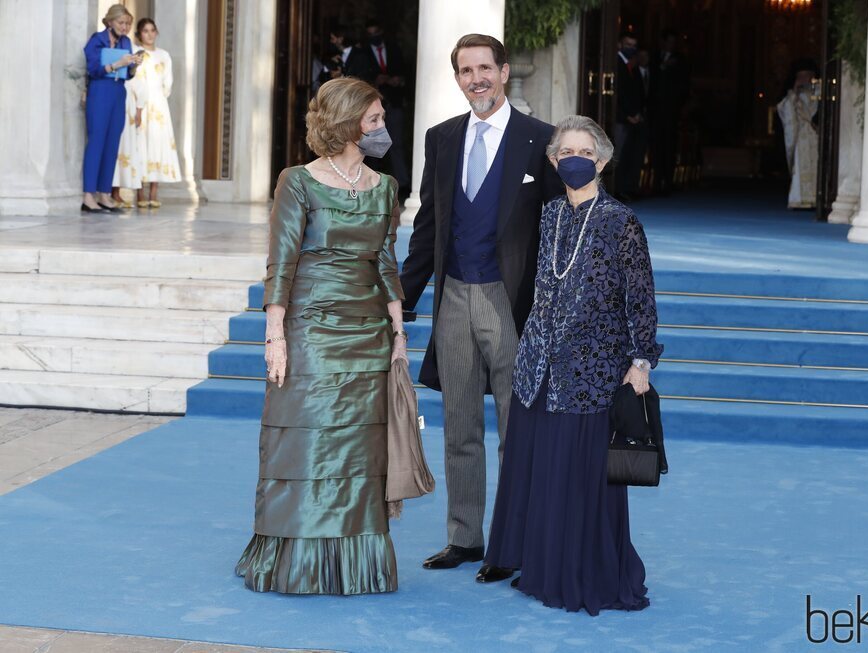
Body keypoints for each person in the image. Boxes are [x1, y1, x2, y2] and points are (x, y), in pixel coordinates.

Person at [398, 33, 562, 582]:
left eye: (485, 68)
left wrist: (554, 310)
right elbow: (428, 228)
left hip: (511, 303)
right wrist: (402, 297)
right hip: (453, 300)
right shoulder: (440, 138)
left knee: (519, 431)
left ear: (505, 71)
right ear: (458, 78)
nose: (477, 79)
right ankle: (465, 538)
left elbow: (557, 233)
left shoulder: (541, 140)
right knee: (460, 428)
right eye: (466, 71)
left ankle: (517, 543)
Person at [484, 115, 663, 616]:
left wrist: (641, 361)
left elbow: (640, 298)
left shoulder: (621, 221)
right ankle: (540, 566)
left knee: (580, 476)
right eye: (564, 154)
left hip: (592, 371)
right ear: (554, 162)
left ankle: (583, 572)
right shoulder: (549, 215)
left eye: (583, 152)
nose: (574, 160)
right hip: (540, 366)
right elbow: (542, 288)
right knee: (543, 471)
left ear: (602, 161)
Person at [236, 77, 407, 595]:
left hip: (369, 330)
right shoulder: (298, 181)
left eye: (381, 120)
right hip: (310, 327)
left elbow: (384, 260)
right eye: (375, 120)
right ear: (349, 122)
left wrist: (399, 332)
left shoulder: (386, 187)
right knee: (309, 445)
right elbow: (281, 262)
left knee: (359, 451)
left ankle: (356, 563)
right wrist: (275, 335)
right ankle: (299, 559)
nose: (382, 130)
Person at [81, 4, 143, 213]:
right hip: (100, 91)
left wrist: (133, 66)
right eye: (121, 23)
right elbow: (93, 69)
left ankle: (104, 193)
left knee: (112, 142)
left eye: (127, 23)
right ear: (109, 22)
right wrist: (117, 64)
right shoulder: (96, 40)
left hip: (118, 92)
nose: (125, 27)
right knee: (97, 140)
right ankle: (88, 195)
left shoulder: (126, 42)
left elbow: (128, 74)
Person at [132, 18, 181, 208]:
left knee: (157, 145)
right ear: (139, 34)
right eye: (145, 31)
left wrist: (159, 98)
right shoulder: (136, 53)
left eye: (153, 30)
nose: (150, 34)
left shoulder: (164, 55)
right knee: (140, 144)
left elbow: (168, 83)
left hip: (159, 105)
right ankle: (139, 193)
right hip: (140, 104)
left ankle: (154, 191)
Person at [361, 21, 411, 193]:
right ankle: (371, 184)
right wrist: (376, 81)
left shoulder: (394, 49)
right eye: (370, 33)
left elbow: (406, 73)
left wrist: (399, 80)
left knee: (396, 144)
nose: (374, 37)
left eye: (376, 32)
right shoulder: (363, 53)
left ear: (381, 31)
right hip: (372, 105)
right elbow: (361, 77)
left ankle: (402, 185)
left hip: (394, 102)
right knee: (372, 144)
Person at [649, 29, 689, 196]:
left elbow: (684, 84)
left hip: (671, 111)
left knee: (670, 146)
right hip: (655, 111)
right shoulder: (654, 57)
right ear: (663, 42)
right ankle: (656, 182)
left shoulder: (680, 60)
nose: (671, 45)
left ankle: (669, 182)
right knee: (656, 146)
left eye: (674, 42)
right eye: (669, 41)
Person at [110, 31, 147, 208]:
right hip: (115, 102)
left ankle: (117, 191)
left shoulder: (133, 71)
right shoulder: (113, 58)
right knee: (114, 148)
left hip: (128, 108)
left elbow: (139, 86)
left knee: (126, 148)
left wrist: (139, 111)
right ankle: (110, 191)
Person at [776, 59, 819, 209]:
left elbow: (817, 108)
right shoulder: (792, 95)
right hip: (801, 137)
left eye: (807, 76)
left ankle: (816, 198)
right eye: (801, 76)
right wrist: (794, 92)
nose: (804, 79)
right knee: (800, 167)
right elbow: (784, 109)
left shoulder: (817, 90)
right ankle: (799, 199)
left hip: (814, 135)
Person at [614, 33, 645, 200]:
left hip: (633, 119)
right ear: (620, 44)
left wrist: (637, 114)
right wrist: (627, 115)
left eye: (633, 45)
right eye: (628, 44)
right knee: (618, 154)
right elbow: (617, 94)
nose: (631, 48)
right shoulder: (615, 63)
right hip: (621, 118)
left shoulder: (632, 65)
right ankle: (615, 189)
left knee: (629, 155)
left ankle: (625, 188)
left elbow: (637, 93)